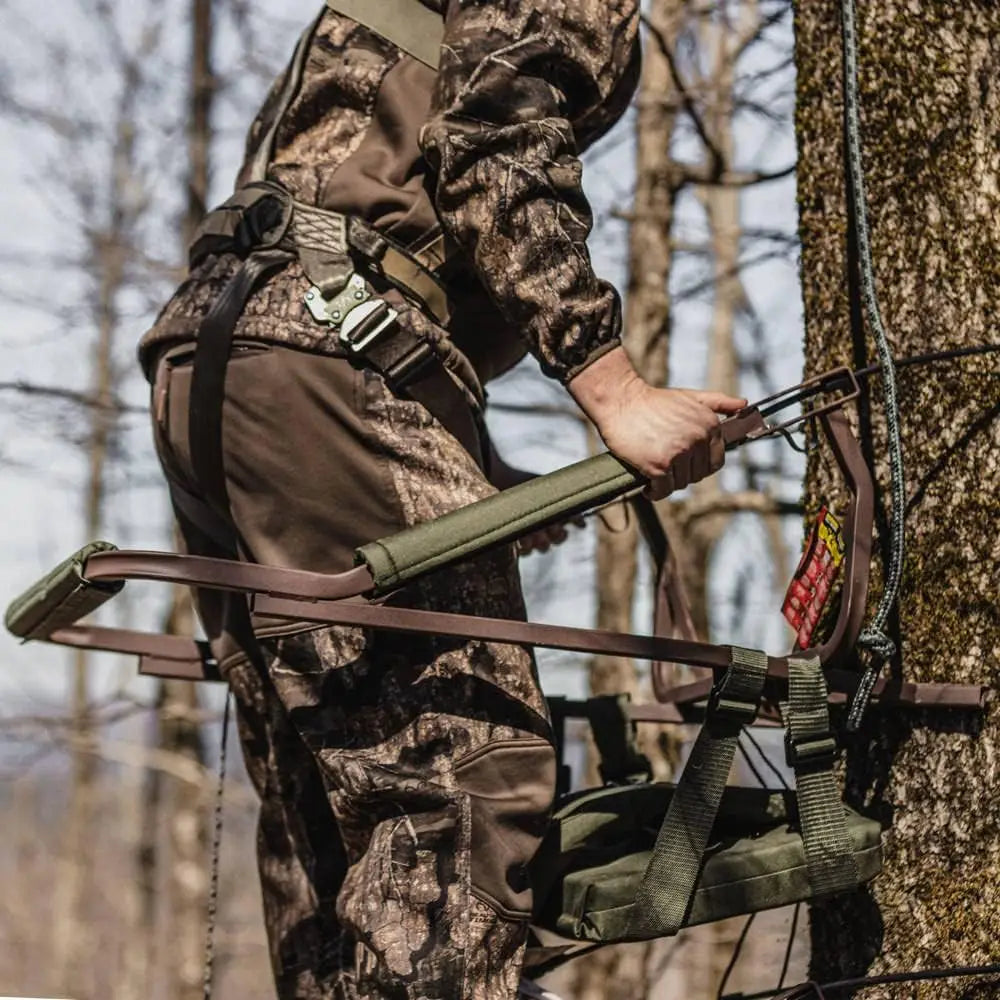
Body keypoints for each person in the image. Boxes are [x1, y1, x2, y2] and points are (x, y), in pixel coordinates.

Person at [140, 2, 745, 998]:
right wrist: (614, 389)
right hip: (323, 345)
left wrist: (476, 470)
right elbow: (493, 131)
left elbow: (358, 179)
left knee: (331, 808)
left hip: (220, 349)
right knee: (460, 795)